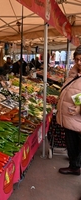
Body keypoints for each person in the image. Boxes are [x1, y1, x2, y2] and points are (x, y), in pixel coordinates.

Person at [56, 45, 81, 176]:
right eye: (77, 59)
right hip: (71, 117)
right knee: (72, 143)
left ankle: (75, 164)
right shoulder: (74, 73)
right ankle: (74, 165)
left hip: (77, 118)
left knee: (76, 144)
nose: (79, 62)